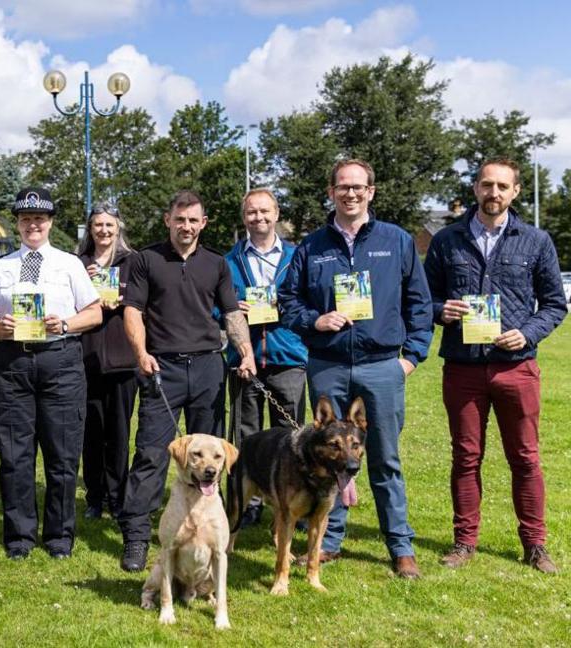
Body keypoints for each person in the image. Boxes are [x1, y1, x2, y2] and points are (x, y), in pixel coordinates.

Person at [278, 159, 433, 579]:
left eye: (358, 187)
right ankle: (329, 541)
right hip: (327, 365)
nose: (350, 193)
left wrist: (411, 357)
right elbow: (287, 303)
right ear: (330, 192)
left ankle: (400, 546)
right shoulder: (311, 247)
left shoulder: (397, 241)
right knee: (329, 458)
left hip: (381, 366)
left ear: (371, 191)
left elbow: (420, 303)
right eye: (342, 187)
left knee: (384, 460)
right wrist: (315, 320)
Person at [424, 157, 566, 573]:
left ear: (516, 192)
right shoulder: (447, 240)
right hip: (464, 368)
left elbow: (555, 303)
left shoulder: (536, 241)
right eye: (487, 185)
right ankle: (465, 542)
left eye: (503, 186)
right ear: (475, 188)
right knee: (466, 457)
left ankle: (535, 545)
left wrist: (528, 332)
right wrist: (440, 310)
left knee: (525, 458)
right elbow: (423, 298)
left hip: (515, 366)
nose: (494, 193)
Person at [116, 190, 256, 573]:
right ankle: (136, 536)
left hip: (209, 368)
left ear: (203, 223)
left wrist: (245, 352)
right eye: (180, 220)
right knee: (151, 453)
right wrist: (141, 354)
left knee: (210, 459)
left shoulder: (216, 263)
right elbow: (133, 312)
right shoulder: (145, 260)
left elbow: (231, 312)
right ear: (168, 220)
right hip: (163, 369)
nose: (187, 227)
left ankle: (206, 533)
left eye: (194, 220)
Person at [0, 187, 102, 560]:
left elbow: (94, 313)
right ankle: (19, 538)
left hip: (60, 362)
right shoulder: (1, 267)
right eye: (26, 218)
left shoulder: (69, 264)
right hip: (13, 364)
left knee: (61, 458)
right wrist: (0, 328)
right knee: (15, 456)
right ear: (17, 222)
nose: (33, 225)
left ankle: (60, 537)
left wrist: (64, 323)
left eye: (40, 218)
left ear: (50, 222)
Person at [224, 188, 308, 527]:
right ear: (244, 217)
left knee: (291, 434)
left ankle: (293, 499)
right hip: (245, 359)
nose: (258, 218)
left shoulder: (297, 255)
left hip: (287, 355)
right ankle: (251, 502)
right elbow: (217, 303)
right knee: (247, 435)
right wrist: (231, 307)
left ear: (276, 213)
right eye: (251, 212)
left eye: (264, 211)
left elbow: (307, 297)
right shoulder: (229, 260)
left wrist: (284, 307)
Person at [74, 204, 137, 520]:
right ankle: (94, 497)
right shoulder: (77, 263)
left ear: (118, 228)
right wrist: (82, 283)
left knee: (119, 433)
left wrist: (121, 297)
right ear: (90, 229)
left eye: (109, 225)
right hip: (86, 359)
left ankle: (117, 497)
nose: (103, 230)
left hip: (124, 361)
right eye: (97, 225)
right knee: (91, 432)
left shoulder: (132, 261)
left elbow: (144, 302)